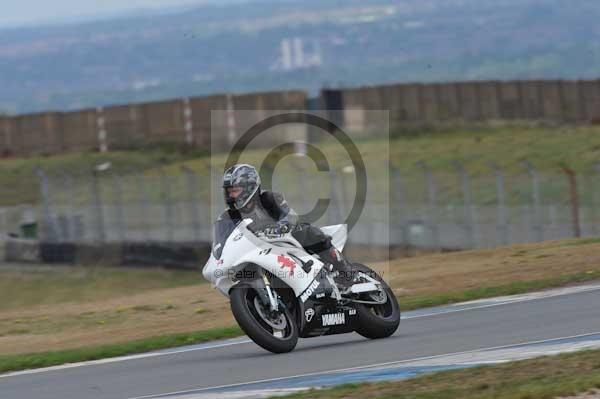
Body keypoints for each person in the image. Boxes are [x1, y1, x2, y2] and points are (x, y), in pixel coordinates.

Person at [217, 163, 353, 287]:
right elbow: (220, 244)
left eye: (235, 190)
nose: (231, 196)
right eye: (228, 192)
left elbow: (290, 217)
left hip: (285, 242)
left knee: (304, 230)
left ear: (250, 187)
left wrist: (280, 226)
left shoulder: (269, 199)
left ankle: (343, 269)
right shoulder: (226, 217)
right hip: (257, 254)